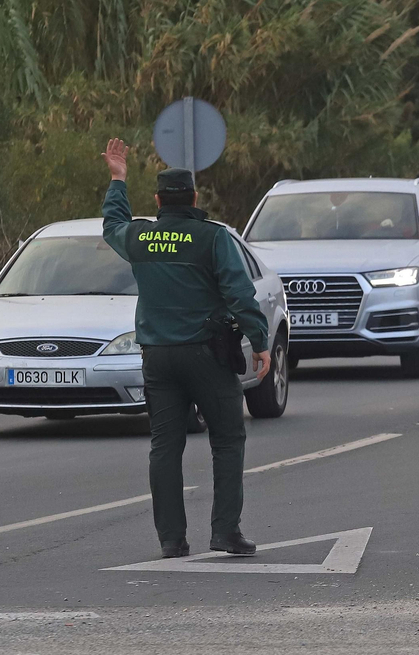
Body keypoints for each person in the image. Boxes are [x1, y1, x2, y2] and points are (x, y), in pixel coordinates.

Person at [100, 138, 271, 559]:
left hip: (157, 357)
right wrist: (260, 342)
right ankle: (225, 531)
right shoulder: (212, 239)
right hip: (206, 354)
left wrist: (118, 179)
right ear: (194, 197)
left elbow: (111, 226)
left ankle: (171, 539)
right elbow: (240, 293)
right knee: (228, 439)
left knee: (165, 446)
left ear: (158, 200)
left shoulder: (141, 238)